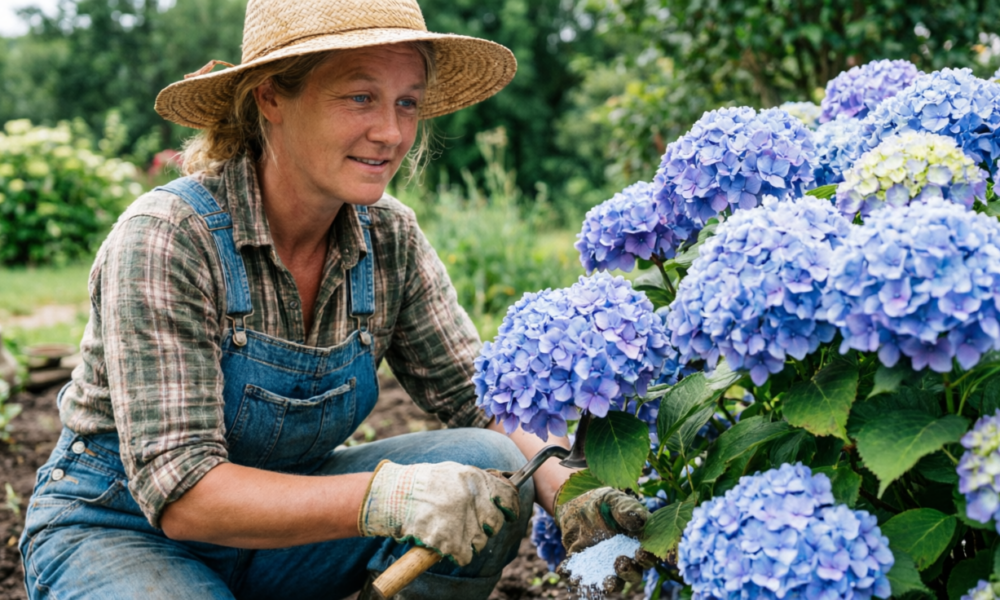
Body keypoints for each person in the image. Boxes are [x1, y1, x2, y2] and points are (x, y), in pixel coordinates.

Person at [18, 0, 651, 598]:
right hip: (121, 529)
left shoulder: (389, 237)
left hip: (284, 536)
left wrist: (569, 492)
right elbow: (183, 494)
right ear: (271, 96)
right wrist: (388, 498)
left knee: (489, 465)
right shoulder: (168, 239)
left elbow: (478, 401)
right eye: (360, 97)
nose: (391, 132)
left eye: (408, 102)